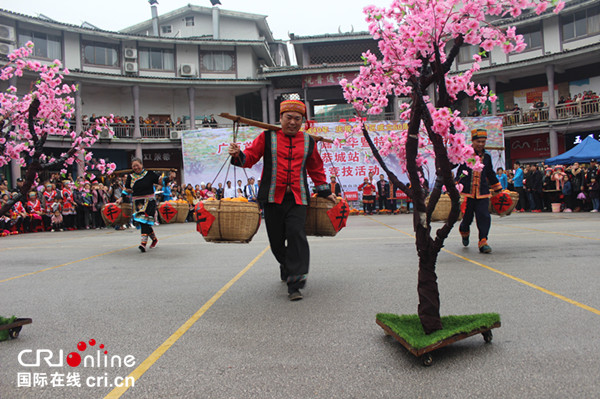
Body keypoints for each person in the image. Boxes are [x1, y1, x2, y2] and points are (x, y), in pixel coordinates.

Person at [228, 99, 335, 301]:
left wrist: (324, 191)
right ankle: (286, 265)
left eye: (298, 119)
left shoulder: (308, 141)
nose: (293, 122)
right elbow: (250, 157)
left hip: (298, 197)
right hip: (271, 197)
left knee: (296, 235)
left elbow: (316, 168)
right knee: (276, 242)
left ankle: (295, 283)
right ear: (280, 118)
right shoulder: (267, 137)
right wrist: (238, 154)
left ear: (303, 120)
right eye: (289, 118)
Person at [457, 129, 503, 253]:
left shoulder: (487, 156)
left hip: (482, 192)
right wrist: (457, 185)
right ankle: (464, 231)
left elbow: (490, 173)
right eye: (478, 141)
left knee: (484, 216)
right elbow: (461, 171)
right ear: (472, 141)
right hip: (468, 193)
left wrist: (498, 189)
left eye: (483, 142)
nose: (481, 144)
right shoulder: (466, 154)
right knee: (467, 218)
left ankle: (483, 241)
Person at [116, 158, 162, 253]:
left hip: (149, 201)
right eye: (134, 166)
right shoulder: (130, 176)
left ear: (141, 164)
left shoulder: (149, 174)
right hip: (137, 202)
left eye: (137, 165)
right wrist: (121, 197)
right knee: (142, 222)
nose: (136, 167)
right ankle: (154, 239)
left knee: (144, 220)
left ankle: (143, 243)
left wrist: (170, 178)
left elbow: (161, 181)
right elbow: (127, 189)